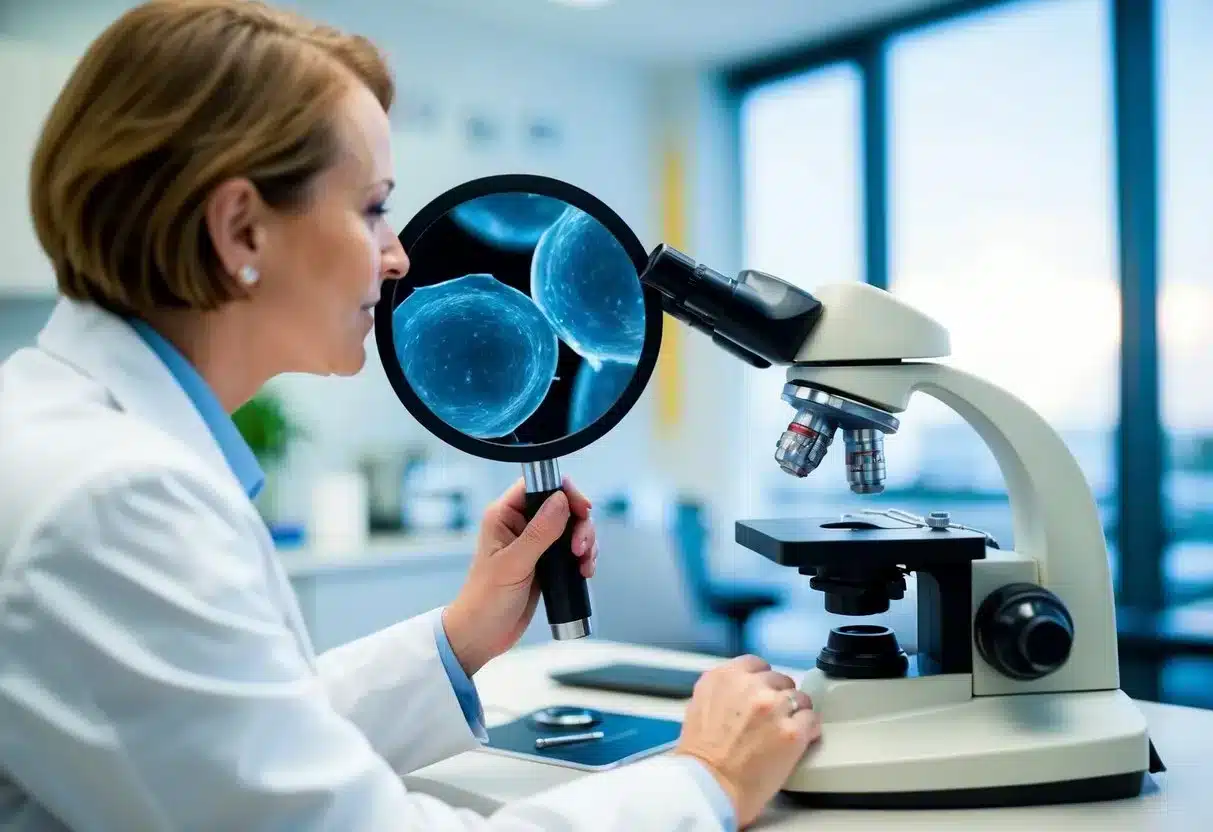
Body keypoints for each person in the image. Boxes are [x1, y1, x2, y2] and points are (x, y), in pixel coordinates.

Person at [0, 1, 821, 830]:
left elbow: (228, 743)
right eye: (371, 208)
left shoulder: (74, 445)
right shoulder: (109, 501)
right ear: (241, 229)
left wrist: (461, 635)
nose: (395, 257)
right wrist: (703, 780)